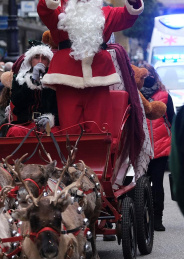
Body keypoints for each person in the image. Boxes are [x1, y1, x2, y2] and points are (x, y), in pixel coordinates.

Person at [37, 0, 144, 133]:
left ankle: (100, 153)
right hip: (67, 77)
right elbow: (44, 10)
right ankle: (73, 153)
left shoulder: (106, 13)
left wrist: (133, 2)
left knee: (100, 128)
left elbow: (127, 16)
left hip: (98, 76)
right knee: (70, 129)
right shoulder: (59, 12)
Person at [140, 63, 175, 231]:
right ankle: (156, 219)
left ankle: (149, 218)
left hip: (145, 148)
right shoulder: (165, 95)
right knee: (156, 183)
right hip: (157, 147)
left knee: (143, 185)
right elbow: (173, 121)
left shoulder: (134, 95)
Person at [8, 42, 58, 136]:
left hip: (47, 125)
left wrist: (51, 118)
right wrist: (32, 81)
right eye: (36, 57)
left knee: (55, 134)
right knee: (15, 131)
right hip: (25, 123)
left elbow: (60, 106)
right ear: (31, 60)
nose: (40, 61)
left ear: (48, 62)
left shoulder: (55, 80)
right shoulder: (20, 79)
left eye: (44, 58)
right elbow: (16, 101)